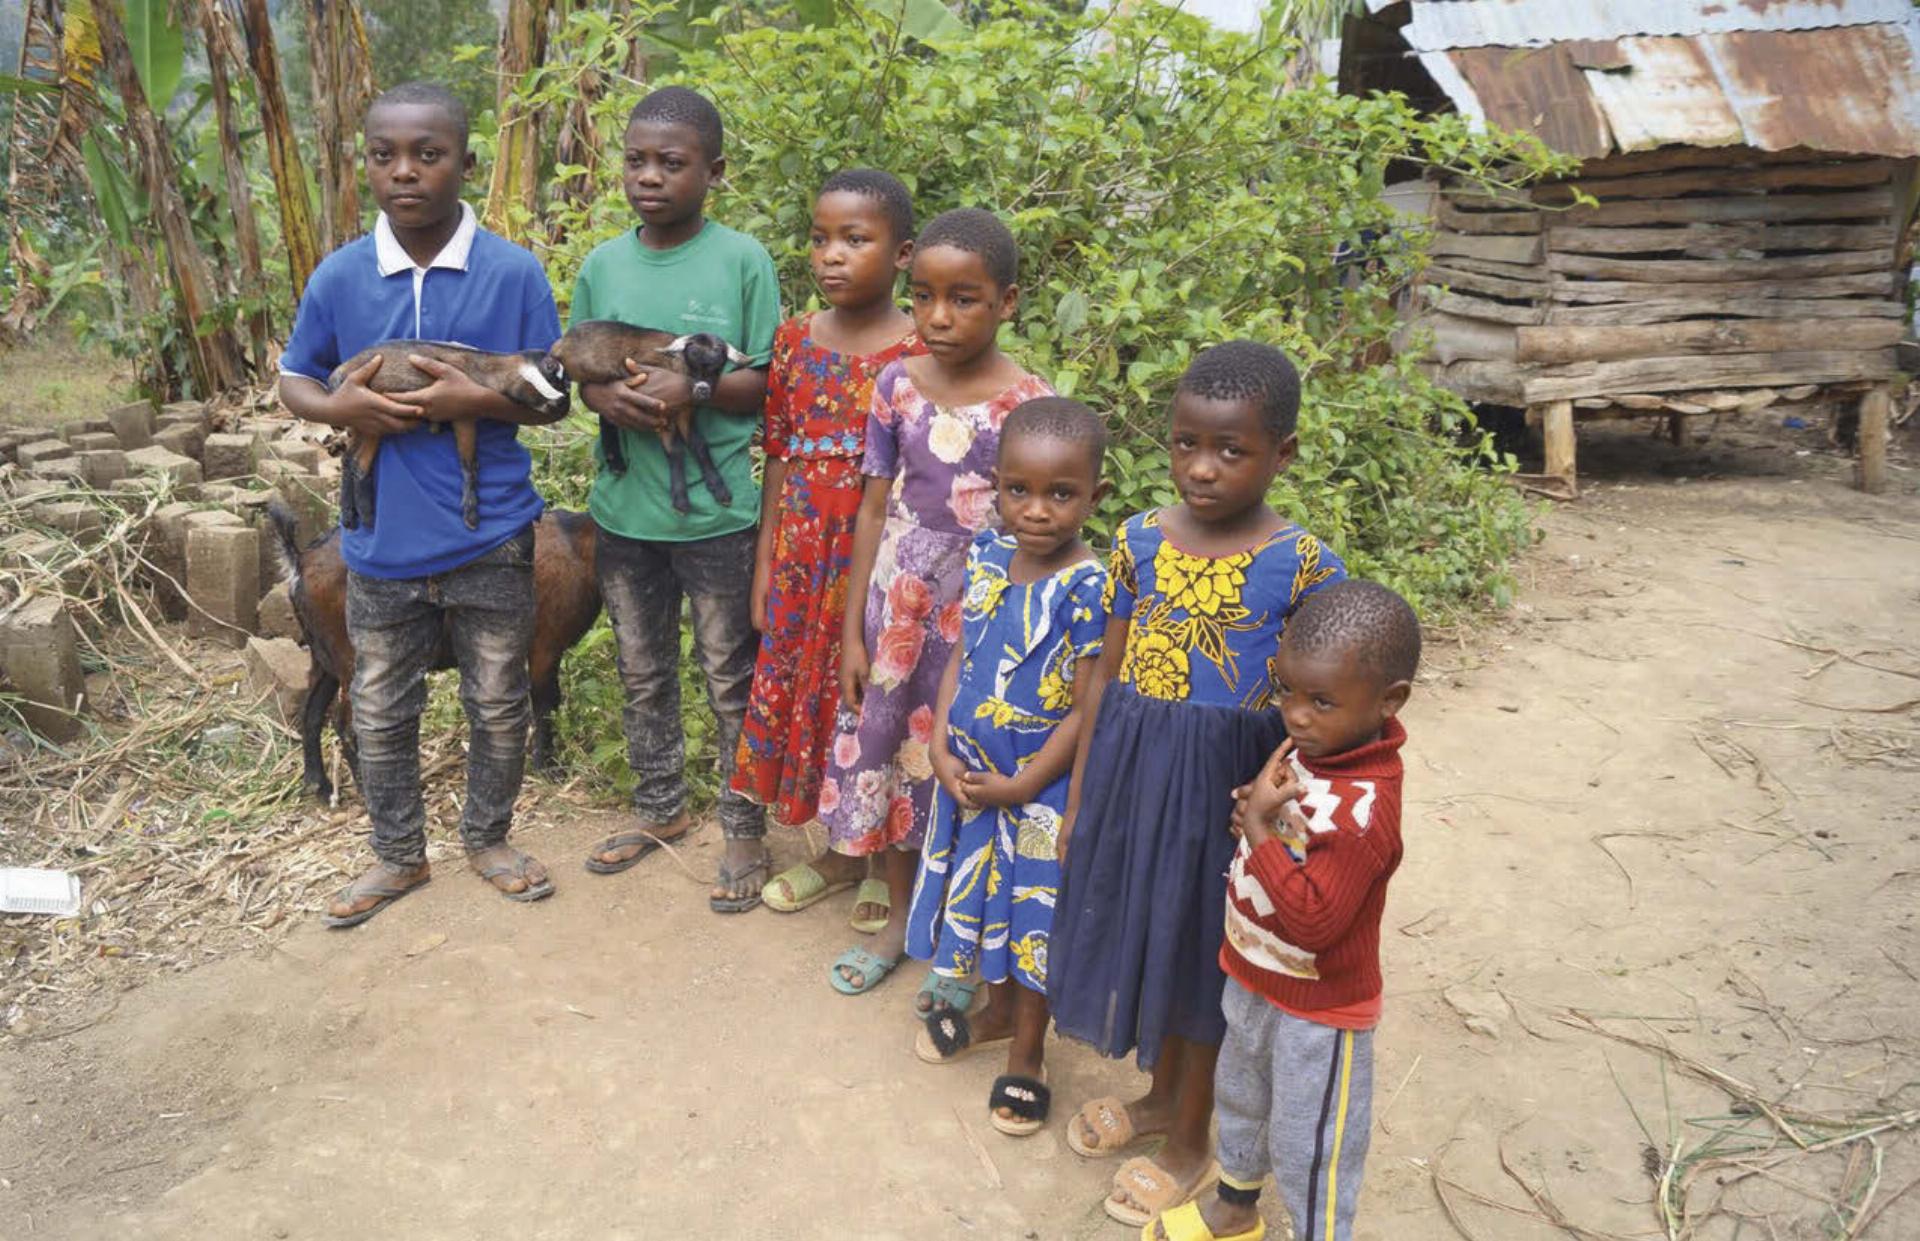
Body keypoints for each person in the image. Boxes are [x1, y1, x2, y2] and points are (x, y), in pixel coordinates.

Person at [1048, 341, 1346, 1225]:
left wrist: (1276, 814)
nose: (1202, 469)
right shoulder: (1137, 537)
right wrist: (1080, 797)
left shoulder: (1302, 566)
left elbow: (1321, 709)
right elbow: (1104, 672)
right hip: (1137, 777)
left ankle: (1191, 1137)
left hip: (1229, 795)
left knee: (1208, 958)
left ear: (1281, 455)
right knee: (1154, 931)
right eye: (1185, 444)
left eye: (1231, 450)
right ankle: (1155, 1101)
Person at [278, 82, 565, 928]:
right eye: (384, 155)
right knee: (378, 704)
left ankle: (489, 838)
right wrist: (342, 411)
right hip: (380, 545)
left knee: (499, 697)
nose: (405, 172)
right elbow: (297, 377)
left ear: (464, 162)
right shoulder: (340, 276)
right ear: (366, 162)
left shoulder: (511, 272)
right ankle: (398, 855)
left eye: (427, 154)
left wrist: (473, 401)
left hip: (494, 537)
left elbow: (553, 397)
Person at [818, 207, 1053, 1000]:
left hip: (979, 619)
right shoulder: (896, 385)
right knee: (887, 752)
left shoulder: (1028, 402)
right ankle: (895, 922)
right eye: (923, 297)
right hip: (897, 613)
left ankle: (956, 940)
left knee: (963, 766)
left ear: (1008, 301)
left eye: (965, 298)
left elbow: (1041, 527)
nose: (939, 317)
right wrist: (855, 629)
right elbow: (874, 508)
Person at [1146, 579, 1417, 1241]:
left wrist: (1262, 831)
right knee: (1241, 1096)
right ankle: (1236, 1210)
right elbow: (1277, 793)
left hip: (1317, 1011)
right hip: (1255, 972)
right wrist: (1256, 804)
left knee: (1311, 1143)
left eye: (1320, 700)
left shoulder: (1364, 811)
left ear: (1389, 701)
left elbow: (1317, 922)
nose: (1295, 714)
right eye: (1287, 691)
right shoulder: (1315, 743)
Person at [569, 86, 782, 913]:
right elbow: (580, 373)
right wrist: (606, 402)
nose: (649, 177)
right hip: (626, 510)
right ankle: (660, 805)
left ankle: (742, 825)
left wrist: (691, 386)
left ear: (714, 171)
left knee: (730, 672)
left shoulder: (741, 261)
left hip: (718, 521)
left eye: (672, 162)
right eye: (636, 160)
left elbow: (762, 381)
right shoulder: (603, 266)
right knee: (641, 667)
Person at [905, 398, 1110, 1136]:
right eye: (1019, 489)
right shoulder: (990, 555)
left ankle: (1027, 1053)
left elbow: (1089, 702)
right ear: (996, 485)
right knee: (984, 903)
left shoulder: (1092, 588)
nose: (1038, 510)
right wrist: (937, 743)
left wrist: (1027, 782)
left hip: (1036, 792)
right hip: (970, 779)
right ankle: (991, 1012)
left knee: (1032, 921)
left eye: (1062, 493)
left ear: (1096, 495)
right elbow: (964, 652)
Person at [737, 171, 924, 921]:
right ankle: (838, 854)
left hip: (882, 560)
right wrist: (764, 563)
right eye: (820, 239)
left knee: (874, 700)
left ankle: (883, 857)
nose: (832, 256)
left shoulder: (920, 347)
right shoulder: (792, 341)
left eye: (855, 239)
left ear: (901, 252)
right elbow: (779, 455)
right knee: (812, 696)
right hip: (802, 556)